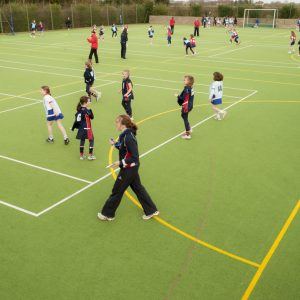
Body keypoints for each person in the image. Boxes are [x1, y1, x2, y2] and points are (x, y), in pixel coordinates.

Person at [97, 115, 159, 221]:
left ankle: (107, 214)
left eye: (117, 122)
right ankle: (151, 210)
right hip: (130, 168)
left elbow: (134, 157)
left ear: (123, 124)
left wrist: (120, 162)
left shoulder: (128, 137)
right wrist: (115, 144)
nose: (115, 124)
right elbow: (124, 148)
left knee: (117, 190)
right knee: (138, 188)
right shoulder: (125, 135)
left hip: (129, 169)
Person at [71, 96, 96, 160]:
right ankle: (90, 155)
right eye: (89, 101)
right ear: (85, 103)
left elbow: (76, 120)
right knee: (91, 140)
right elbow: (92, 117)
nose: (90, 102)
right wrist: (89, 109)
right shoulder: (87, 111)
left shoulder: (79, 110)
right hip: (87, 128)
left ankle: (81, 156)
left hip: (81, 128)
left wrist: (73, 128)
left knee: (82, 140)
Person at [175, 76, 195, 140]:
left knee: (185, 118)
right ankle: (189, 128)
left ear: (189, 81)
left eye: (185, 80)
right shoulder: (191, 88)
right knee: (183, 116)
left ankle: (188, 134)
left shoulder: (187, 89)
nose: (184, 80)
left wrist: (177, 96)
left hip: (187, 106)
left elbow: (184, 98)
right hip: (190, 105)